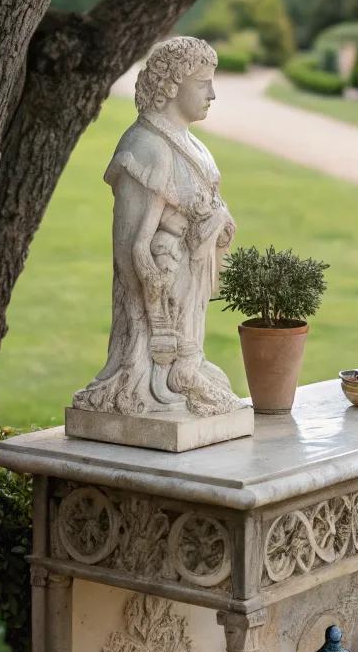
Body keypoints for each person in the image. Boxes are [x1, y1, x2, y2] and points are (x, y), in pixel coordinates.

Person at [71, 36, 243, 419]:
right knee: (166, 365)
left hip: (190, 288)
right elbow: (130, 248)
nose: (212, 94)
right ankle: (159, 378)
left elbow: (208, 208)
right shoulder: (146, 148)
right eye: (203, 84)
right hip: (162, 296)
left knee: (196, 359)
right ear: (172, 85)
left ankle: (187, 369)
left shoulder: (194, 146)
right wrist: (152, 314)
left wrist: (218, 225)